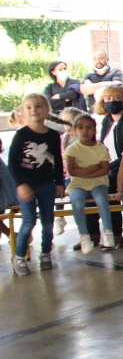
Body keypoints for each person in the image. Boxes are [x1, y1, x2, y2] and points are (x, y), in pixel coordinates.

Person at [8, 94, 64, 275]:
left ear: (47, 110)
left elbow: (57, 161)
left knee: (48, 221)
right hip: (27, 186)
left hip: (47, 185)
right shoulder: (21, 135)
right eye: (29, 107)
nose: (34, 110)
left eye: (38, 106)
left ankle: (46, 253)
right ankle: (19, 256)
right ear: (24, 112)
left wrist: (59, 182)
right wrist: (21, 185)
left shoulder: (53, 135)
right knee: (29, 221)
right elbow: (12, 164)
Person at [87, 85, 123, 248]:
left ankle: (116, 234)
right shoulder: (107, 121)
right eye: (108, 99)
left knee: (106, 185)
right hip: (110, 167)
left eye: (117, 98)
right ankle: (92, 235)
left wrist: (108, 167)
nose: (112, 102)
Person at [63, 114, 115, 255]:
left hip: (98, 182)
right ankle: (84, 235)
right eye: (81, 127)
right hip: (78, 184)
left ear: (94, 130)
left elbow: (104, 170)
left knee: (101, 199)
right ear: (75, 130)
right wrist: (94, 168)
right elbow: (72, 171)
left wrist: (84, 173)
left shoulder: (100, 148)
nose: (85, 131)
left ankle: (108, 232)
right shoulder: (72, 149)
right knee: (77, 201)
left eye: (89, 127)